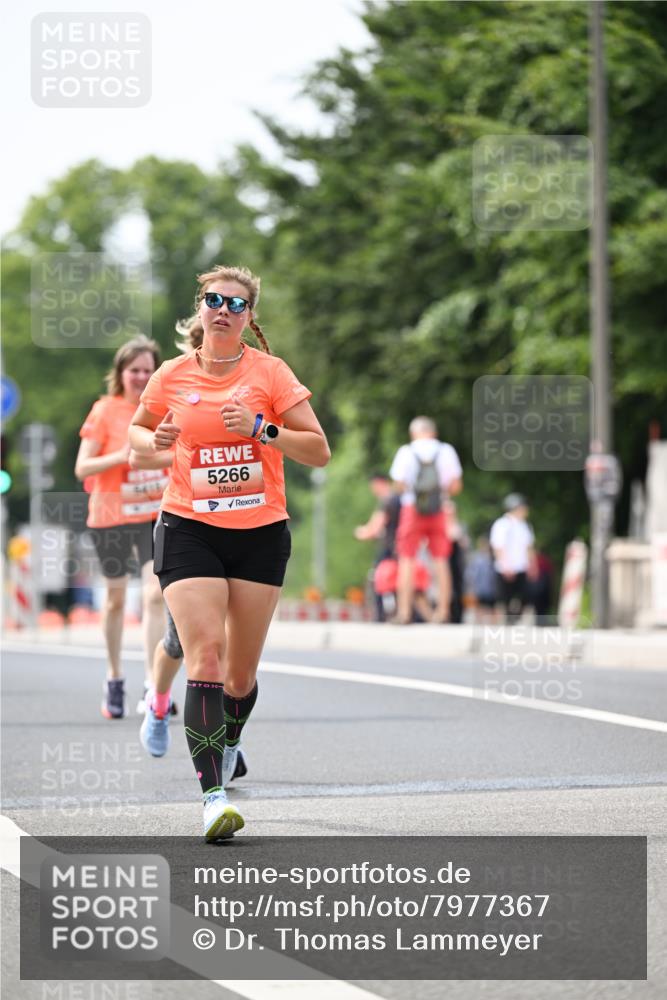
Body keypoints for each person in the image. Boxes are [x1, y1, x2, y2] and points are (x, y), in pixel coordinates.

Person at [129, 264, 330, 841]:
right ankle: (213, 796)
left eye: (236, 304)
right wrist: (155, 440)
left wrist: (262, 429)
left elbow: (318, 451)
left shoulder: (270, 372)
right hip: (188, 526)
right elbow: (138, 437)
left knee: (240, 676)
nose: (223, 310)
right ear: (201, 307)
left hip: (260, 533)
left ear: (249, 317)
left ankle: (232, 736)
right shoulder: (170, 375)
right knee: (207, 658)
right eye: (214, 300)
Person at [74, 336, 168, 719]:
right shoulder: (104, 410)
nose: (141, 377)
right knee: (114, 600)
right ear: (120, 373)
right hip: (111, 516)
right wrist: (122, 455)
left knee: (154, 596)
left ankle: (152, 682)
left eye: (148, 370)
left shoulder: (164, 409)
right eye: (134, 370)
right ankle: (114, 677)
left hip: (152, 513)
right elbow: (82, 467)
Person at [389, 416, 463, 624]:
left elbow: (399, 484)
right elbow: (456, 485)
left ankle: (404, 612)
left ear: (414, 433)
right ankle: (442, 611)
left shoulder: (407, 451)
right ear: (433, 432)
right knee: (440, 559)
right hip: (439, 508)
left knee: (407, 558)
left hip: (412, 508)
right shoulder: (445, 451)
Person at [354, 473, 401, 620]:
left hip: (388, 548)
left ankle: (381, 615)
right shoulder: (399, 499)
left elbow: (374, 527)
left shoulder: (386, 501)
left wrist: (361, 532)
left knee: (380, 580)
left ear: (379, 483)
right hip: (401, 549)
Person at [489, 493, 535, 623]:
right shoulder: (502, 524)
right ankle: (504, 621)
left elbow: (529, 547)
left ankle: (514, 619)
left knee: (525, 597)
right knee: (504, 598)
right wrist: (505, 566)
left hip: (521, 567)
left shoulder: (525, 525)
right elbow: (498, 546)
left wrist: (532, 565)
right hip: (506, 568)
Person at [467, 535, 499, 623]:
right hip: (480, 589)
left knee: (493, 608)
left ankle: (493, 626)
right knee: (479, 608)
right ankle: (479, 624)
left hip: (492, 589)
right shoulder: (476, 558)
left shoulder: (493, 557)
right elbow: (471, 574)